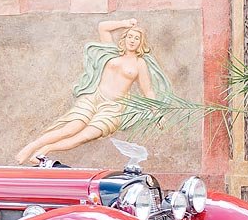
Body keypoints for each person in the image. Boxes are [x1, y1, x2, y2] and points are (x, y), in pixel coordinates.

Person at [15, 19, 171, 165]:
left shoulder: (140, 63)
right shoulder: (112, 51)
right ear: (124, 38)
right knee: (71, 128)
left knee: (84, 137)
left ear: (141, 43)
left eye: (136, 38)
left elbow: (147, 90)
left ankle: (46, 150)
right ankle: (30, 147)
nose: (132, 40)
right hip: (94, 98)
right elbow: (103, 27)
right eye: (130, 36)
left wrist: (158, 113)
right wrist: (124, 23)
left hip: (113, 109)